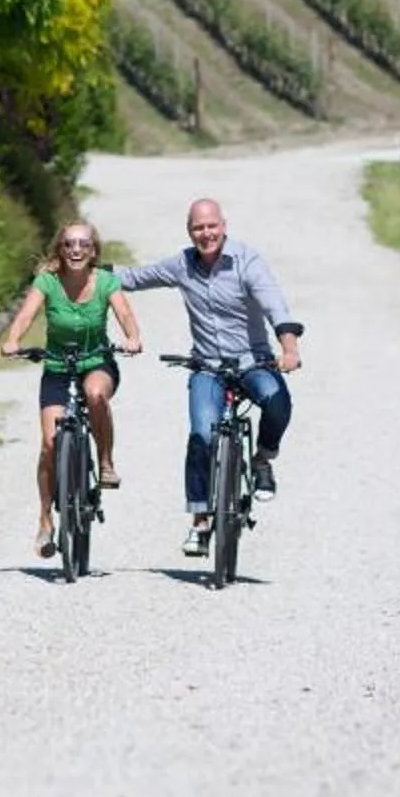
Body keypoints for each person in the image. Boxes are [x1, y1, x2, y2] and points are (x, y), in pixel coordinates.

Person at [114, 198, 304, 558]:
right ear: (190, 232)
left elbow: (275, 306)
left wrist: (289, 349)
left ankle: (263, 460)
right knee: (202, 434)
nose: (206, 234)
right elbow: (135, 278)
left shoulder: (248, 261)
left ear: (224, 226)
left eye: (211, 226)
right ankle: (200, 522)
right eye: (198, 228)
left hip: (253, 361)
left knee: (277, 402)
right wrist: (82, 268)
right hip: (207, 366)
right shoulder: (182, 265)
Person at [0, 221, 142, 560]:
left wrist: (132, 337)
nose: (76, 250)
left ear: (93, 251)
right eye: (69, 244)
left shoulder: (106, 281)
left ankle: (105, 462)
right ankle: (46, 519)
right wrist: (13, 340)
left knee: (94, 395)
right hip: (58, 368)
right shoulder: (47, 281)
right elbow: (25, 315)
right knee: (49, 444)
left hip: (96, 362)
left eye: (83, 244)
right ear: (60, 250)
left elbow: (125, 312)